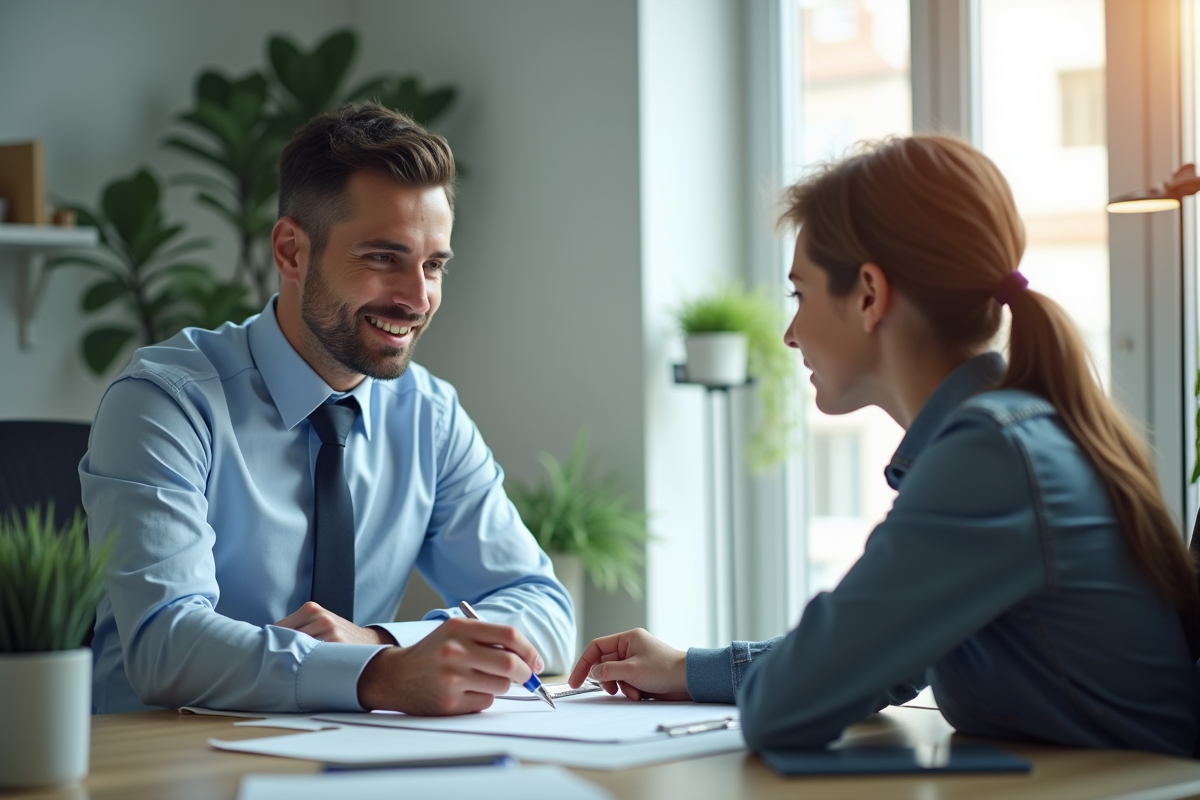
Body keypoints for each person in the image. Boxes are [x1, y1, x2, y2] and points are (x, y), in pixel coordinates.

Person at [567, 134, 1200, 757]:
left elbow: (789, 702)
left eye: (800, 293)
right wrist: (686, 668)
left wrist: (747, 670)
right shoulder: (1013, 432)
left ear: (869, 294)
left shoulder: (989, 456)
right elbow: (883, 658)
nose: (790, 333)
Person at [83, 104, 574, 716]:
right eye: (382, 258)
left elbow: (544, 608)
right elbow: (166, 645)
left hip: (351, 760)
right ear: (291, 251)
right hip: (159, 762)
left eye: (433, 265)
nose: (417, 298)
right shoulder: (166, 404)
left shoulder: (430, 416)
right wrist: (379, 676)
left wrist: (382, 644)